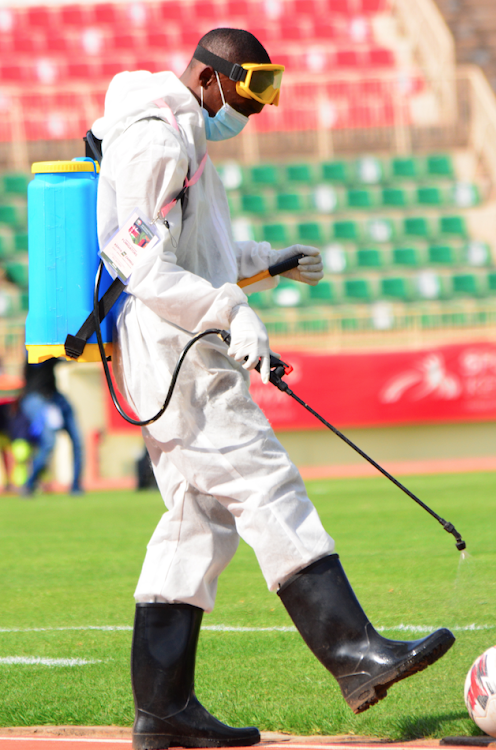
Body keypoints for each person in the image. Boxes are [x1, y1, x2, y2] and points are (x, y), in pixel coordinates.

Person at [92, 27, 455, 750]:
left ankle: (162, 710)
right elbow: (140, 262)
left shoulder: (188, 136)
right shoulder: (158, 140)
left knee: (196, 525)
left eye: (265, 93)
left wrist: (266, 263)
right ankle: (355, 653)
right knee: (265, 484)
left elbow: (202, 253)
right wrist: (232, 310)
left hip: (184, 346)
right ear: (207, 76)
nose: (254, 109)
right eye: (248, 91)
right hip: (179, 354)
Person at [19, 358, 83, 496]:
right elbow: (41, 359)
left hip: (53, 397)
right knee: (49, 442)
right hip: (36, 398)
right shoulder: (34, 350)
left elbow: (67, 359)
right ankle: (29, 484)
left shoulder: (52, 355)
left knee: (77, 441)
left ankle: (76, 486)